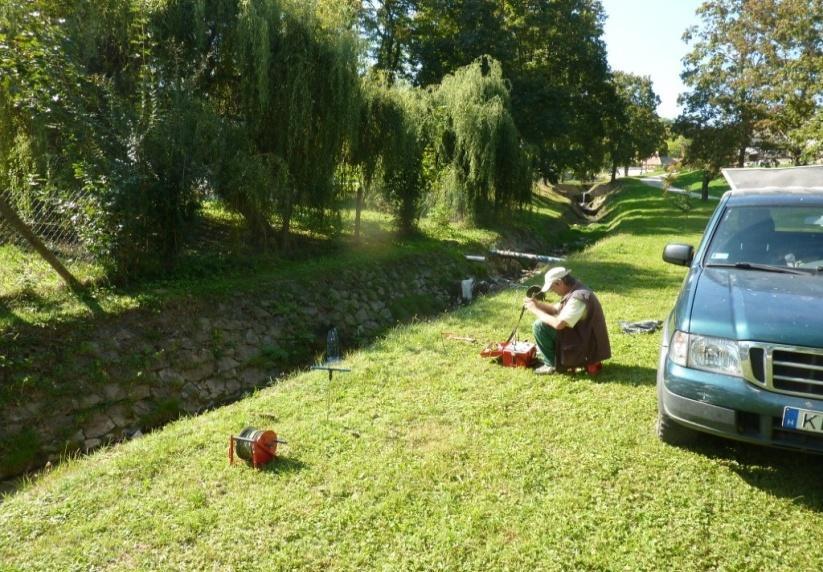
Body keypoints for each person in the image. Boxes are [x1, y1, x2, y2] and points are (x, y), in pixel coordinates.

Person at [524, 267, 611, 375]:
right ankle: (556, 360)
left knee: (539, 326)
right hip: (583, 338)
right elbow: (556, 309)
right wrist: (537, 304)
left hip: (586, 346)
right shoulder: (575, 290)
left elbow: (559, 324)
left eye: (552, 288)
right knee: (543, 324)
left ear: (559, 283)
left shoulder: (578, 298)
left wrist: (535, 309)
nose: (552, 291)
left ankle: (551, 365)